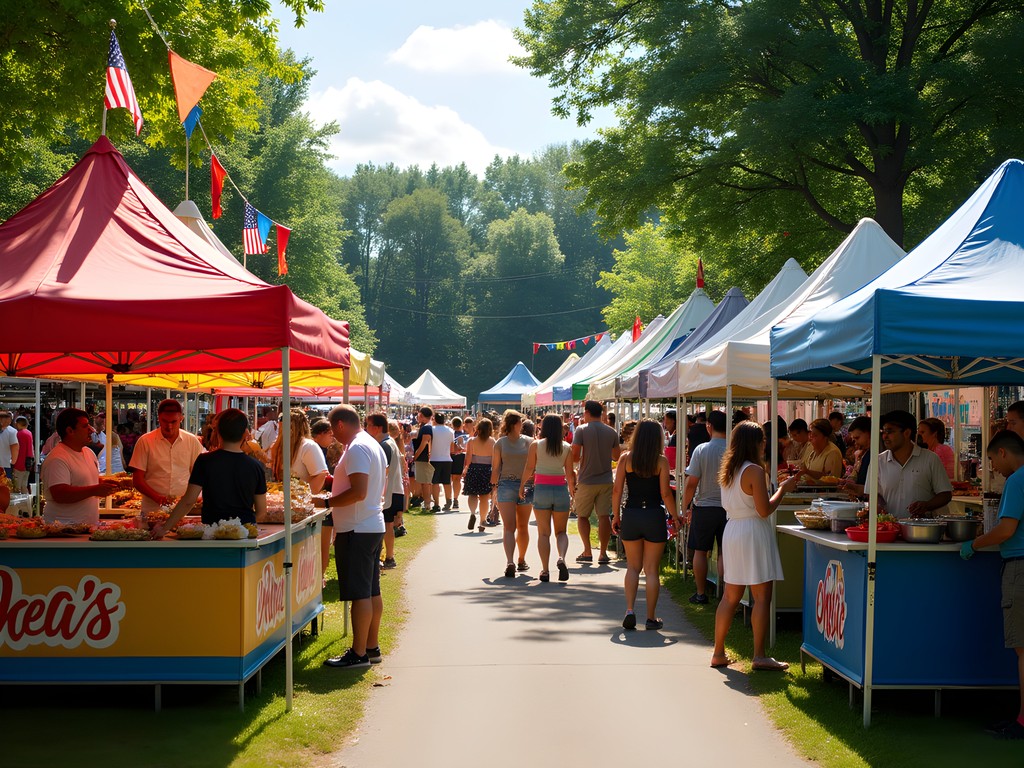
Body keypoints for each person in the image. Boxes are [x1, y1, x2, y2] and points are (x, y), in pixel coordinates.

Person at [712, 421, 802, 671]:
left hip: (733, 530)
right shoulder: (753, 470)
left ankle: (718, 651)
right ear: (757, 443)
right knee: (762, 596)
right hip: (752, 531)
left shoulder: (728, 469)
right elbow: (764, 510)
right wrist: (783, 489)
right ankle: (759, 655)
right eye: (762, 440)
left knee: (730, 596)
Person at [960, 430, 1024, 740]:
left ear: (1002, 453)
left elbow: (1006, 530)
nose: (992, 469)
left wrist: (975, 543)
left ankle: (1023, 721)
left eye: (991, 461)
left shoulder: (1017, 480)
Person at [322, 404, 388, 669]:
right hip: (367, 525)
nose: (333, 436)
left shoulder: (359, 447)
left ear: (340, 425)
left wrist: (327, 503)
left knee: (361, 593)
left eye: (332, 429)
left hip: (358, 528)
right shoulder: (368, 444)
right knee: (370, 590)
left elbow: (359, 491)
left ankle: (359, 653)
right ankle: (370, 647)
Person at [610, 419, 679, 630]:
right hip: (653, 515)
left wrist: (615, 516)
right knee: (651, 570)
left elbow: (617, 491)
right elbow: (666, 494)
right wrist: (675, 516)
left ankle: (630, 610)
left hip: (631, 514)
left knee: (632, 567)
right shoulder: (661, 461)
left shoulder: (625, 459)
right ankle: (651, 617)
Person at [153, 409, 267, 537]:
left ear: (217, 432)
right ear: (246, 433)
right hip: (245, 534)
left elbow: (188, 501)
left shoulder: (205, 461)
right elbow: (262, 511)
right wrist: (242, 526)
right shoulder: (256, 466)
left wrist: (165, 528)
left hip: (212, 532)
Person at [271, 409, 332, 578]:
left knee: (312, 549)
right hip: (285, 509)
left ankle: (317, 579)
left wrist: (304, 498)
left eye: (286, 426)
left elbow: (321, 474)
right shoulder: (281, 446)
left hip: (305, 510)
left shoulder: (308, 446)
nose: (281, 429)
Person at [520, 414, 576, 582]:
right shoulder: (566, 447)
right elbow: (569, 474)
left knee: (543, 533)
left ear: (542, 427)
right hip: (560, 490)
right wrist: (572, 493)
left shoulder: (536, 445)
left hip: (542, 490)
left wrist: (522, 486)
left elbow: (529, 468)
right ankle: (562, 558)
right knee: (561, 532)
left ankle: (545, 570)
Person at [41, 408, 119, 526]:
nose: (91, 430)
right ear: (70, 431)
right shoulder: (57, 459)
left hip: (86, 527)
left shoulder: (88, 452)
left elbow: (84, 481)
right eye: (85, 426)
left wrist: (106, 484)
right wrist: (95, 490)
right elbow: (60, 493)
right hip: (62, 530)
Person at [130, 399, 205, 519]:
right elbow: (138, 480)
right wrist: (157, 498)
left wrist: (191, 498)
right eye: (165, 421)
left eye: (174, 422)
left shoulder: (192, 442)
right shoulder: (145, 441)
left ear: (181, 418)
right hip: (151, 509)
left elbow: (198, 476)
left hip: (183, 509)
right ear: (159, 418)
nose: (169, 426)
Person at [683, 410, 728, 605]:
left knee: (700, 551)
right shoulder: (733, 449)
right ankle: (727, 595)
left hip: (704, 506)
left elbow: (692, 482)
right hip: (729, 507)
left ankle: (701, 593)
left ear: (709, 426)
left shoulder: (701, 450)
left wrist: (684, 506)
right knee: (725, 552)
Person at [877, 410, 952, 518]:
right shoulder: (878, 461)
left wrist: (927, 505)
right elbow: (874, 494)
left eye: (889, 431)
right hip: (889, 528)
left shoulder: (930, 459)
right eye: (883, 432)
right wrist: (878, 504)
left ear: (907, 433)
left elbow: (945, 494)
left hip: (922, 530)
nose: (884, 436)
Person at [572, 400, 621, 565]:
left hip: (586, 479)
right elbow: (616, 457)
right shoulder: (611, 432)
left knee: (582, 516)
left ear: (586, 412)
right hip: (606, 479)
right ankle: (603, 552)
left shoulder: (581, 430)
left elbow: (575, 456)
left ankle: (587, 551)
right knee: (604, 516)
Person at [491, 410, 534, 578]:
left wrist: (494, 488)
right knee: (522, 527)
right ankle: (521, 559)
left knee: (509, 527)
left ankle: (510, 561)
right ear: (515, 424)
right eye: (520, 422)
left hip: (506, 485)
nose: (522, 425)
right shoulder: (529, 442)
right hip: (526, 486)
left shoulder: (500, 443)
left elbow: (495, 469)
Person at [367, 413, 403, 570]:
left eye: (368, 425)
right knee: (387, 525)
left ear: (377, 428)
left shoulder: (385, 445)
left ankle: (387, 557)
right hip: (393, 490)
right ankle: (388, 557)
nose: (366, 429)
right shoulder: (390, 442)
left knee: (386, 525)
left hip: (388, 491)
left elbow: (385, 470)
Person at [463, 417, 495, 533]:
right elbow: (494, 460)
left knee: (472, 494)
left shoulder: (471, 441)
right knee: (484, 497)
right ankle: (482, 520)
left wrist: (466, 469)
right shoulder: (493, 442)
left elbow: (468, 458)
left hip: (474, 469)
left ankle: (472, 513)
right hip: (487, 470)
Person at [430, 412, 456, 511]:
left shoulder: (432, 430)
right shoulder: (450, 431)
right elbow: (452, 447)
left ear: (435, 419)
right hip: (447, 458)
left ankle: (436, 504)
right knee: (447, 482)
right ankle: (448, 500)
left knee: (435, 482)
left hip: (434, 458)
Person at [411, 407, 436, 511]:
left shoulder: (426, 428)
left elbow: (425, 442)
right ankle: (426, 503)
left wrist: (416, 455)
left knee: (425, 482)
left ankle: (427, 505)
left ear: (421, 415)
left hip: (423, 458)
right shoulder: (426, 427)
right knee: (424, 481)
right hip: (424, 458)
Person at [843, 416, 873, 496]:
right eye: (854, 440)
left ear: (869, 433)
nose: (856, 443)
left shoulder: (877, 454)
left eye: (857, 438)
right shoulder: (865, 454)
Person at [12, 416, 34, 493]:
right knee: (24, 485)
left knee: (17, 486)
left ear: (18, 424)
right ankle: (27, 503)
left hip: (19, 462)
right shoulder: (29, 433)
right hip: (28, 462)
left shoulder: (19, 434)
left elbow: (17, 449)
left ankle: (19, 504)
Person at [450, 416, 467, 510]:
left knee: (449, 479)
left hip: (449, 456)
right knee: (457, 479)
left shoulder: (450, 434)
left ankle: (448, 499)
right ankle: (455, 499)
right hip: (460, 457)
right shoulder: (464, 436)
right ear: (461, 425)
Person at [0, 411, 19, 481]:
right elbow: (15, 447)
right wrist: (13, 462)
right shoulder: (12, 431)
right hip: (5, 465)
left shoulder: (11, 431)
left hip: (5, 464)